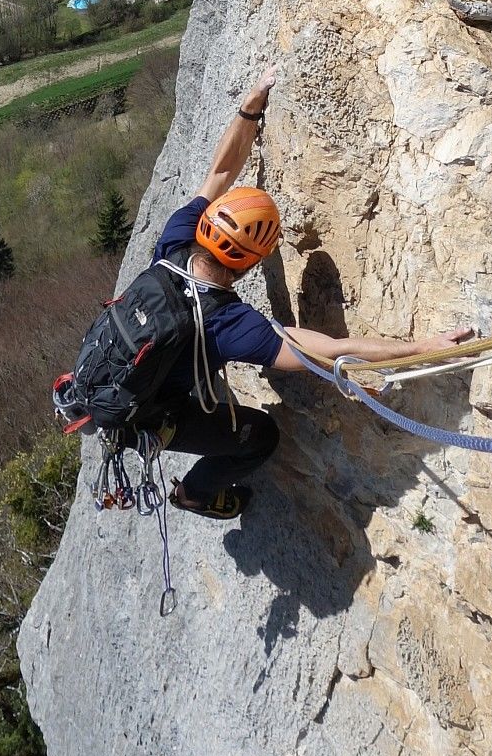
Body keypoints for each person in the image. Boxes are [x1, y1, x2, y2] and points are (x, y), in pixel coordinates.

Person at [150, 67, 472, 519]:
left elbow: (219, 172)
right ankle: (194, 494)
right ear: (249, 265)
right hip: (148, 417)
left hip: (117, 369)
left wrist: (251, 106)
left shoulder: (174, 243)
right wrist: (422, 347)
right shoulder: (227, 325)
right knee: (260, 436)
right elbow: (331, 350)